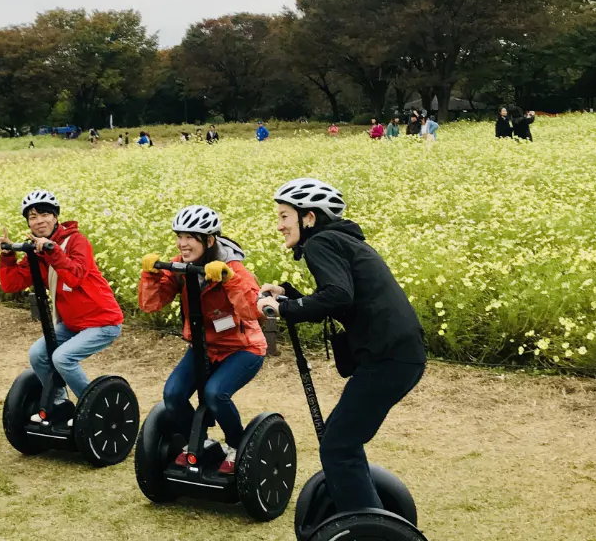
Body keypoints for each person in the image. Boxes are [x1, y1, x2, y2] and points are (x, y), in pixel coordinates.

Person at [256, 178, 425, 518]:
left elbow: (338, 296)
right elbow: (341, 295)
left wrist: (283, 309)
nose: (278, 225)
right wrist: (290, 296)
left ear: (310, 218)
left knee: (338, 444)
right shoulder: (339, 240)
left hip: (388, 357)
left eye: (285, 216)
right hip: (398, 354)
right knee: (340, 437)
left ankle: (367, 528)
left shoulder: (322, 243)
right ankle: (369, 513)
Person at [138, 206, 266, 475]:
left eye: (190, 237)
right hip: (203, 347)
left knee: (215, 394)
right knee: (173, 394)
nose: (182, 243)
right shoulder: (181, 267)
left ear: (209, 241)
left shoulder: (234, 268)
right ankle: (203, 443)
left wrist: (229, 280)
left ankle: (236, 445)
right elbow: (151, 305)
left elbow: (254, 312)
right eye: (179, 236)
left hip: (243, 348)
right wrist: (150, 275)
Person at [0, 189, 122, 412]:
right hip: (72, 324)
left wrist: (53, 251)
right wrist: (8, 256)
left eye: (44, 214)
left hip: (102, 321)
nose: (39, 221)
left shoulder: (76, 241)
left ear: (55, 217)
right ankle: (59, 402)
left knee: (62, 358)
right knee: (37, 354)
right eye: (32, 217)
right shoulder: (37, 249)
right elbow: (11, 285)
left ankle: (93, 408)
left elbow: (74, 277)